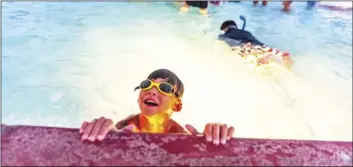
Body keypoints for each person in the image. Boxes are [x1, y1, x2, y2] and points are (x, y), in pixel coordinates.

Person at [80, 69, 235, 145]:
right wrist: (107, 135)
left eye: (165, 88)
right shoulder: (127, 125)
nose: (152, 91)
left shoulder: (182, 135)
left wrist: (211, 141)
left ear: (177, 104)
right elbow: (115, 135)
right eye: (147, 85)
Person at [218, 19, 293, 70]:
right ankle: (282, 58)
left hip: (247, 49)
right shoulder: (247, 32)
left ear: (225, 29)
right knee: (269, 52)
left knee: (257, 63)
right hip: (261, 46)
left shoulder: (224, 36)